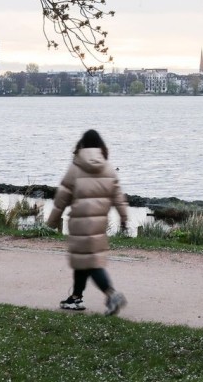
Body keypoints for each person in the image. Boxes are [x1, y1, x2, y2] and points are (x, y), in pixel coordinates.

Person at [49, 128, 130, 316]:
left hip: (79, 224)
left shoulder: (75, 168)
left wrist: (52, 221)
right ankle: (76, 298)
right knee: (83, 261)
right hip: (99, 225)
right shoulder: (108, 169)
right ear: (101, 146)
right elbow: (119, 198)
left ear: (82, 145)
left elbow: (62, 198)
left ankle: (111, 294)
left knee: (90, 263)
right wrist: (124, 219)